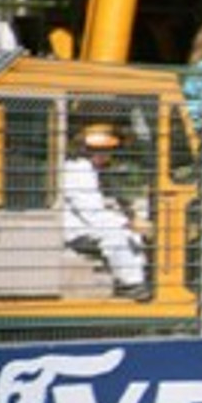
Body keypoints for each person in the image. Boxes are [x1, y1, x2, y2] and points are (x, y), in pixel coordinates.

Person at [61, 125, 149, 300]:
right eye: (104, 151)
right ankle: (131, 285)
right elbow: (93, 214)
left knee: (132, 234)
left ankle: (136, 277)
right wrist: (128, 223)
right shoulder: (78, 171)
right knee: (119, 235)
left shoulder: (92, 171)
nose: (109, 157)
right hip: (78, 230)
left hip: (89, 224)